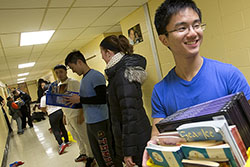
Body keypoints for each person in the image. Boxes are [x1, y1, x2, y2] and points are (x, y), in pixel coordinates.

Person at [142, 0, 250, 166]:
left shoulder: (229, 75)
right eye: (182, 28)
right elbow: (157, 138)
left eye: (197, 25)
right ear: (164, 39)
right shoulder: (160, 91)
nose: (193, 33)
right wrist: (152, 148)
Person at [100, 35, 151, 167]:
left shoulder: (122, 76)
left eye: (102, 53)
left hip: (136, 139)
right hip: (135, 136)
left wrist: (128, 151)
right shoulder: (118, 74)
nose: (101, 57)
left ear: (109, 53)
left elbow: (129, 115)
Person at [65, 50, 115, 167]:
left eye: (73, 68)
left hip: (100, 122)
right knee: (97, 154)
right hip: (90, 122)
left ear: (79, 62)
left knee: (106, 154)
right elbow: (87, 100)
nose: (73, 71)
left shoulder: (96, 76)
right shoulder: (83, 79)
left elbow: (102, 99)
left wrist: (80, 99)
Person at [53, 64, 94, 163]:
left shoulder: (74, 83)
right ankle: (83, 153)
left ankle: (91, 156)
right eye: (57, 73)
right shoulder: (59, 86)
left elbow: (82, 98)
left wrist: (81, 114)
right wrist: (64, 115)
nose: (59, 74)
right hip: (68, 116)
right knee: (76, 137)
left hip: (76, 114)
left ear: (66, 72)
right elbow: (63, 102)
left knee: (84, 136)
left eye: (61, 72)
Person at [40, 86, 69, 155]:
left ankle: (61, 144)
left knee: (55, 129)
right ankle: (67, 141)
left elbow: (42, 108)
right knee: (62, 126)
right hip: (59, 111)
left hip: (52, 114)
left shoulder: (44, 98)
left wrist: (46, 110)